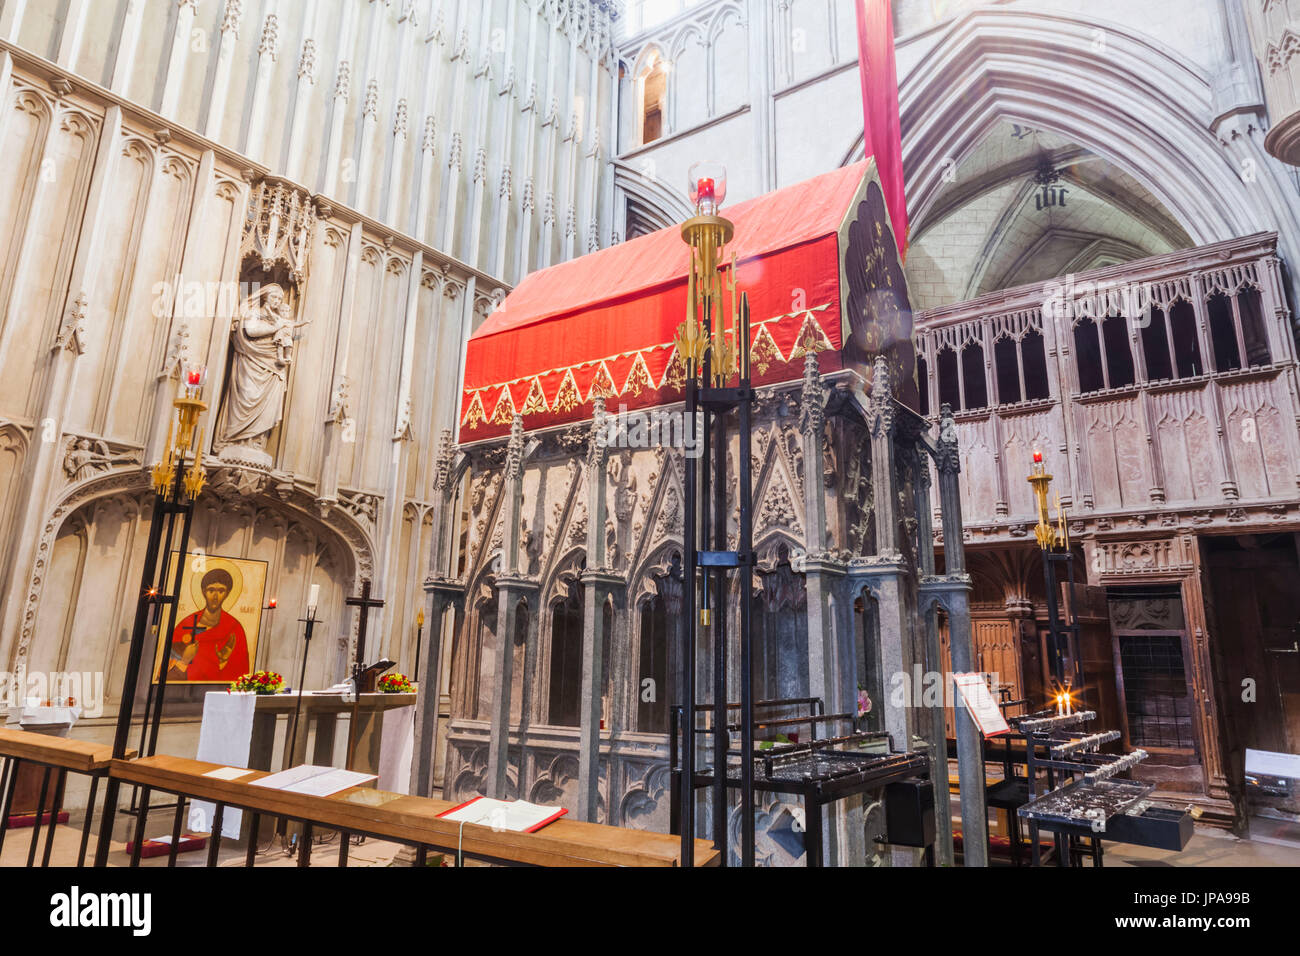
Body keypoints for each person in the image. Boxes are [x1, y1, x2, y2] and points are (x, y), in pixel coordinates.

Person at [168, 568, 250, 682]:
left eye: (221, 591)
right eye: (211, 590)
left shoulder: (234, 628)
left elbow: (241, 673)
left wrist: (223, 663)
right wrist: (184, 661)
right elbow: (166, 672)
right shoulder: (186, 624)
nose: (215, 597)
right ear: (203, 591)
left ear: (227, 594)